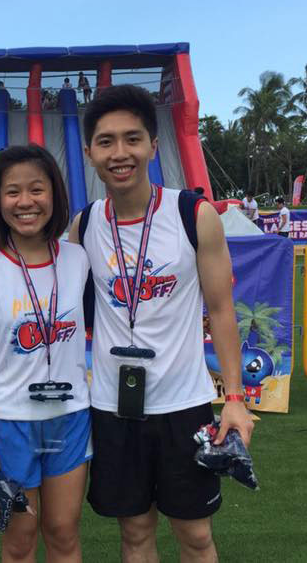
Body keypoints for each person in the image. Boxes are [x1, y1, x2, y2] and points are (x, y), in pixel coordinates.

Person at [69, 85, 253, 562]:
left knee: (194, 537)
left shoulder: (194, 215)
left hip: (184, 404)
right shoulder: (83, 226)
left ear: (153, 145)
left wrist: (234, 398)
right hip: (112, 406)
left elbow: (222, 311)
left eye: (133, 139)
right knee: (134, 534)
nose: (120, 152)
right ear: (89, 152)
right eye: (106, 141)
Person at [0, 145, 92, 562]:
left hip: (70, 419)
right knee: (19, 541)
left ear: (54, 194)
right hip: (8, 423)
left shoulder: (78, 259)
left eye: (37, 189)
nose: (26, 202)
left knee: (64, 533)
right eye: (12, 192)